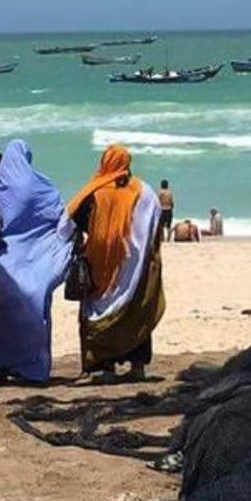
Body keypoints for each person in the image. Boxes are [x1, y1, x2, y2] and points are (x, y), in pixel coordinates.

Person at [0, 139, 73, 385]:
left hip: (3, 263)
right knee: (36, 313)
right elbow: (60, 219)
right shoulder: (43, 185)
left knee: (1, 317)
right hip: (38, 263)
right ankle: (34, 368)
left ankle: (4, 365)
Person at [68, 144, 164, 383]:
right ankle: (138, 367)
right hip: (136, 265)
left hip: (102, 265)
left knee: (98, 311)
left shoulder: (94, 191)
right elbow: (155, 224)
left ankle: (107, 369)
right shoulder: (145, 192)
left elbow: (74, 220)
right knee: (136, 310)